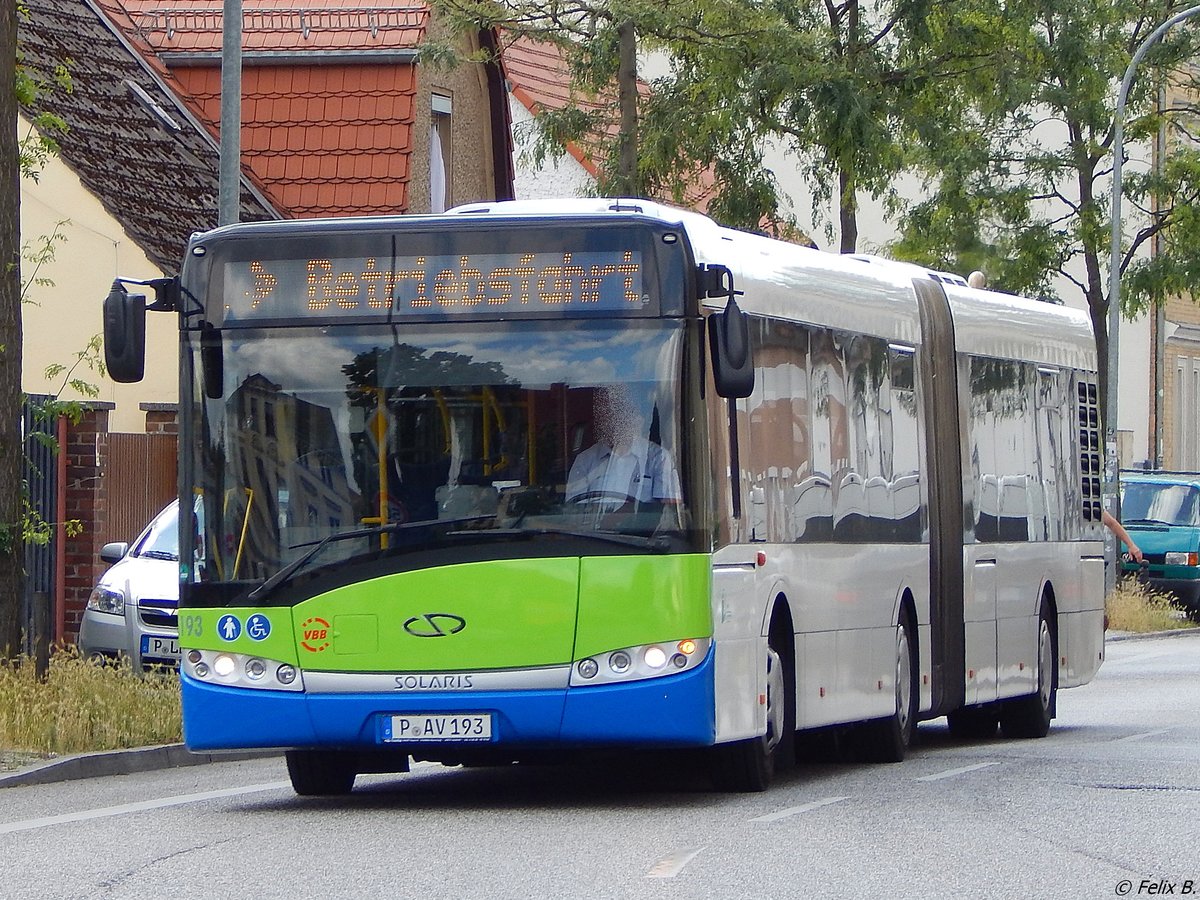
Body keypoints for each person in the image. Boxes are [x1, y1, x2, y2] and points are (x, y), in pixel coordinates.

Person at [565, 386, 681, 506]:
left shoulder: (659, 458)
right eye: (607, 412)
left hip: (644, 525)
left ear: (634, 415)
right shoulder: (584, 461)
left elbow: (670, 510)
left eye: (619, 411)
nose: (613, 418)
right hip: (594, 524)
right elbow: (573, 511)